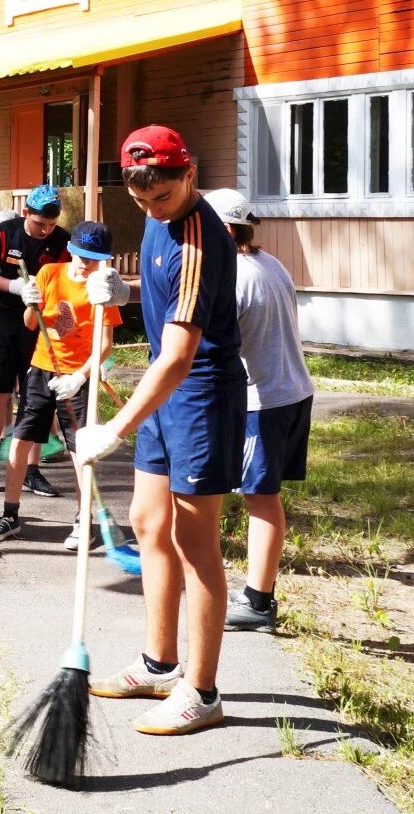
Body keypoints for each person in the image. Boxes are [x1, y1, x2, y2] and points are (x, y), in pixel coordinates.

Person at [73, 125, 247, 736]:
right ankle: (159, 663)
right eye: (141, 202)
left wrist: (115, 427)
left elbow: (179, 352)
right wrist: (123, 290)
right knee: (150, 524)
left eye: (162, 200)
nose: (152, 210)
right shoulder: (155, 215)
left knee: (198, 543)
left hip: (198, 395)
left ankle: (202, 691)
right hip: (164, 386)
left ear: (188, 173)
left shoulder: (202, 238)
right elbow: (168, 293)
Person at [203, 189, 314, 634]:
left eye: (207, 228)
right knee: (261, 494)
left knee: (261, 498)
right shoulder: (270, 263)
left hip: (264, 400)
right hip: (291, 391)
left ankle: (259, 602)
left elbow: (208, 338)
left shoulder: (234, 277)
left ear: (225, 230)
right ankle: (256, 593)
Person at [0, 221, 122, 546]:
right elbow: (32, 324)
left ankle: (82, 520)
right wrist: (30, 301)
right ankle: (10, 515)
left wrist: (81, 377)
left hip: (77, 377)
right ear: (70, 249)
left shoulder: (102, 288)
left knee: (79, 450)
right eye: (81, 256)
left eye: (93, 258)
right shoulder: (49, 274)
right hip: (42, 369)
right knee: (21, 441)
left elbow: (105, 345)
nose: (85, 264)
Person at [0, 183, 70, 496]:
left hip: (41, 325)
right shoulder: (5, 233)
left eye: (51, 225)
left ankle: (32, 470)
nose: (45, 231)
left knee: (36, 399)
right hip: (3, 321)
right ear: (28, 213)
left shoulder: (63, 241)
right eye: (40, 223)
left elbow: (67, 281)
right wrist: (14, 287)